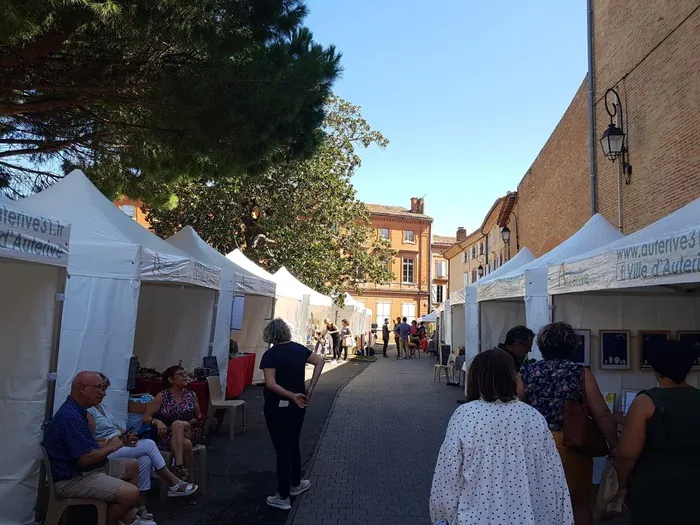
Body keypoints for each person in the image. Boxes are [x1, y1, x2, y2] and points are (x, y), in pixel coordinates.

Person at [429, 348, 573, 524]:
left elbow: (448, 477)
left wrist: (442, 516)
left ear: (475, 378)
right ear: (512, 377)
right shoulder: (533, 417)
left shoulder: (465, 415)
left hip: (475, 518)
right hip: (529, 518)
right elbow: (554, 477)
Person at [518, 322, 618, 525]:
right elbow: (602, 413)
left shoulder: (527, 372)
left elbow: (517, 409)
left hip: (534, 444)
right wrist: (614, 445)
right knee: (579, 502)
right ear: (572, 346)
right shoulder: (580, 373)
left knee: (537, 502)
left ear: (541, 346)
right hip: (572, 444)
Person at [42, 371, 150, 525]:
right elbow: (85, 459)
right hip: (73, 478)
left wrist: (113, 441)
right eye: (98, 388)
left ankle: (129, 520)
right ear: (82, 389)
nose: (102, 393)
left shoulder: (77, 411)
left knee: (132, 465)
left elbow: (87, 446)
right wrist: (111, 447)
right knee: (130, 493)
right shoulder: (71, 417)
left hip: (85, 470)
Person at [88, 374, 197, 519]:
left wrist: (127, 434)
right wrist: (115, 440)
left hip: (119, 442)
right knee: (149, 445)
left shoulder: (103, 407)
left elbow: (115, 428)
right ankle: (173, 482)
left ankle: (140, 506)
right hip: (106, 449)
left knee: (145, 459)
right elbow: (91, 442)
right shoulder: (88, 412)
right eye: (100, 389)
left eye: (105, 389)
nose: (103, 393)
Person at [616, 339, 700, 525]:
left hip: (654, 483)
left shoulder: (646, 402)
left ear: (656, 368)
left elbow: (627, 454)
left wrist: (622, 485)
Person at [260, 319, 325, 510]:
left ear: (270, 335)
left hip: (277, 406)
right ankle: (295, 483)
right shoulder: (299, 349)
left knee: (282, 450)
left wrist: (291, 396)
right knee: (293, 443)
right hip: (299, 404)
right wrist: (310, 388)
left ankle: (283, 496)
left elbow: (270, 384)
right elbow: (320, 361)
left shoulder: (270, 355)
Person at [143, 365, 204, 483]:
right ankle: (189, 480)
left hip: (189, 430)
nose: (185, 376)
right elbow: (146, 416)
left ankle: (179, 466)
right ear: (171, 380)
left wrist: (195, 420)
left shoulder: (191, 395)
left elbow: (199, 416)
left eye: (185, 373)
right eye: (180, 374)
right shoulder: (162, 396)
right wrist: (157, 421)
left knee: (178, 424)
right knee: (186, 444)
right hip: (169, 435)